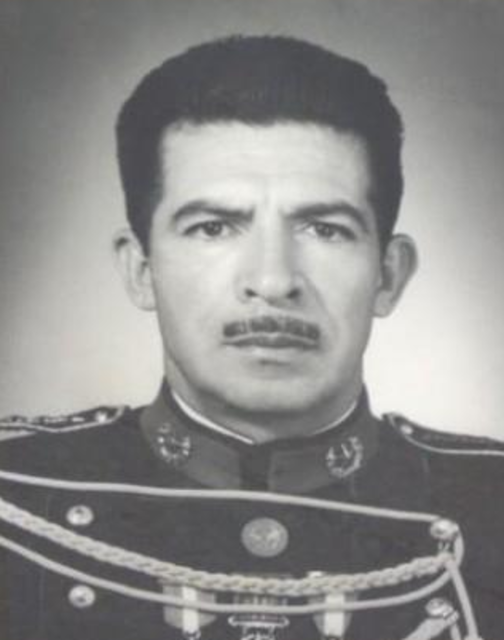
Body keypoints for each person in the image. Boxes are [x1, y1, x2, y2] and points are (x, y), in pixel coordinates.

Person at [0, 34, 502, 640]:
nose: (272, 280)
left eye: (324, 228)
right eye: (213, 227)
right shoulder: (17, 498)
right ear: (141, 271)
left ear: (388, 276)